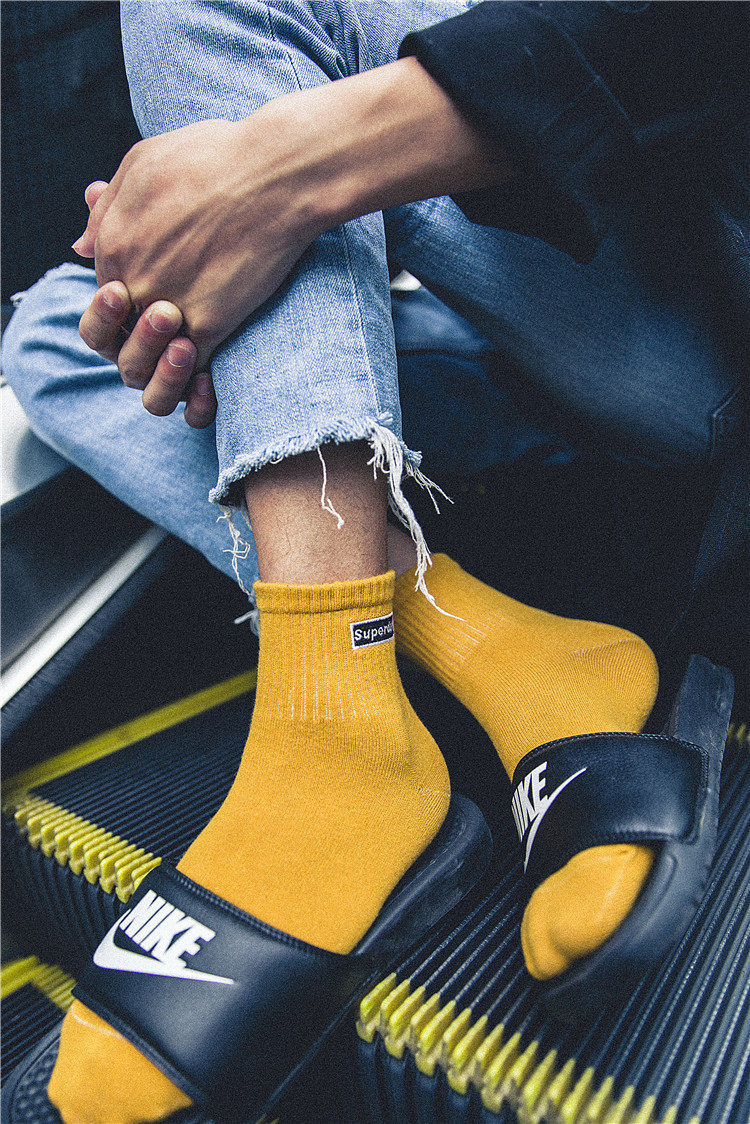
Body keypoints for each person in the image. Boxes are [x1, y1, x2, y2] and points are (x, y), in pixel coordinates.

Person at [3, 3, 745, 1121]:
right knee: (56, 325)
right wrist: (192, 234)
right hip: (499, 341)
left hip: (698, 299)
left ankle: (336, 725)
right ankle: (493, 642)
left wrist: (266, 172)